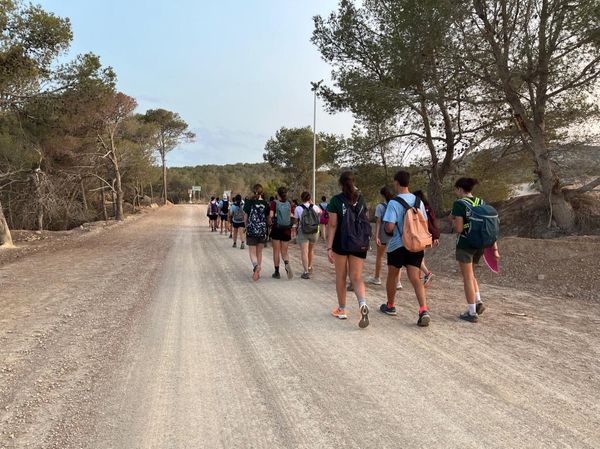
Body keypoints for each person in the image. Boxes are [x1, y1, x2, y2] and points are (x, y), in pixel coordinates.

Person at [380, 170, 431, 327]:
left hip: (398, 245)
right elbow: (424, 222)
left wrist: (388, 228)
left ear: (396, 183)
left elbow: (389, 226)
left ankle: (390, 306)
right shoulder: (418, 202)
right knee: (415, 277)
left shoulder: (394, 203)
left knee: (393, 275)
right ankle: (423, 309)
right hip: (416, 244)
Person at [451, 177, 500, 323]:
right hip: (480, 245)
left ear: (460, 189)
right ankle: (478, 303)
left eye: (456, 189)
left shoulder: (459, 204)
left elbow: (459, 228)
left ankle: (471, 312)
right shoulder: (481, 202)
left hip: (465, 244)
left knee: (467, 278)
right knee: (471, 275)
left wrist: (453, 222)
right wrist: (495, 248)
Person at [327, 171, 370, 329]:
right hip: (358, 242)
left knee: (341, 276)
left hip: (341, 242)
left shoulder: (336, 200)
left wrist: (329, 246)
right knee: (357, 277)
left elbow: (332, 225)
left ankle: (342, 309)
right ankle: (362, 303)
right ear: (354, 182)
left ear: (340, 183)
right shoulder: (361, 199)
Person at [366, 187, 403, 290]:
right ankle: (398, 282)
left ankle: (377, 278)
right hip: (395, 234)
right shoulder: (397, 205)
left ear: (382, 195)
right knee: (397, 259)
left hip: (383, 234)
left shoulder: (380, 207)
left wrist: (376, 235)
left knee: (380, 257)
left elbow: (378, 222)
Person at [413, 190, 440, 287]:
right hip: (428, 236)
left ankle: (427, 274)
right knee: (421, 256)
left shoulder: (419, 208)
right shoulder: (429, 208)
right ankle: (421, 275)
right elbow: (433, 223)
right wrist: (435, 236)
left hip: (420, 236)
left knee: (415, 257)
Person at [244, 184, 270, 281]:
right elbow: (268, 218)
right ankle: (258, 270)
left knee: (252, 252)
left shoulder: (249, 202)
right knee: (259, 252)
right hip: (262, 230)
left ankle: (255, 266)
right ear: (261, 192)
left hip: (251, 230)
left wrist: (246, 226)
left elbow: (245, 216)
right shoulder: (265, 203)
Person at [295, 191, 321, 279]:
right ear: (309, 198)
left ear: (301, 198)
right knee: (311, 250)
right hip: (314, 231)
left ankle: (305, 272)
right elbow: (321, 213)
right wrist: (312, 204)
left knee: (304, 252)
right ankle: (310, 267)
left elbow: (296, 220)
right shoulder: (315, 207)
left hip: (303, 231)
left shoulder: (298, 208)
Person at [269, 187, 294, 280]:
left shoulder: (274, 203)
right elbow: (291, 216)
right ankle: (286, 263)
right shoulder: (289, 204)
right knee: (284, 251)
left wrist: (271, 221)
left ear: (277, 194)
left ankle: (277, 272)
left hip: (277, 228)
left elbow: (271, 215)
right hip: (286, 229)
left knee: (276, 251)